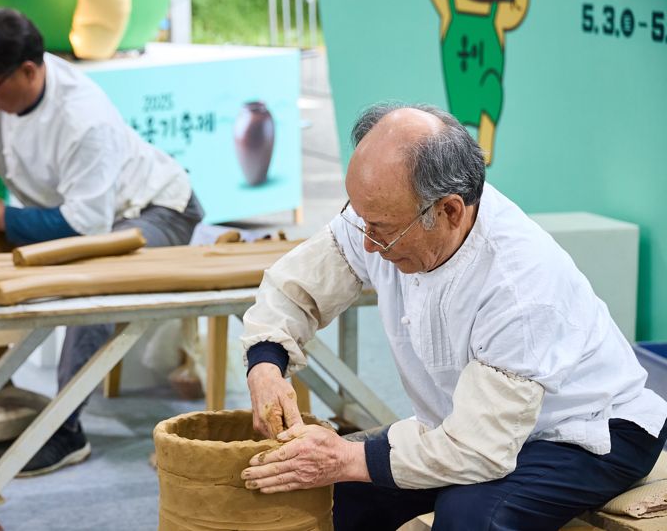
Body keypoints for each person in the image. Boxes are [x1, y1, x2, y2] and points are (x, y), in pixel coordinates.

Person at [239, 102, 667, 530]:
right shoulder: (389, 213)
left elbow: (479, 449)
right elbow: (298, 286)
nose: (368, 244)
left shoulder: (519, 287)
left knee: (469, 517)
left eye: (383, 230)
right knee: (340, 494)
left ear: (449, 211)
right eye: (361, 221)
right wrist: (265, 361)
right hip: (469, 426)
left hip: (586, 431)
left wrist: (347, 457)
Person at [0, 8, 204, 476]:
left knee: (90, 283)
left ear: (29, 70)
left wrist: (0, 216)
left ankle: (65, 429)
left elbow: (86, 228)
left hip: (156, 211)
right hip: (83, 215)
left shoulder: (83, 118)